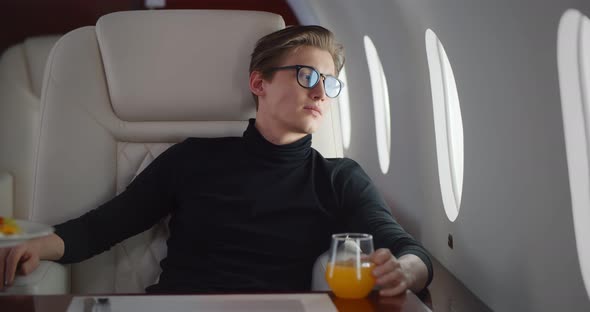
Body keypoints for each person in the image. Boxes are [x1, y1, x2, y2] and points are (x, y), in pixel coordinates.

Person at [0, 25, 432, 296]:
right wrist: (39, 245)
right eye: (307, 76)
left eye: (331, 84)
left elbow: (409, 251)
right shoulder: (192, 159)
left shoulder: (339, 177)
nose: (321, 92)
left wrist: (406, 272)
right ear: (258, 83)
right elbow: (102, 227)